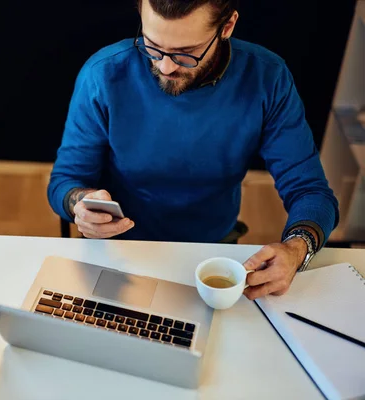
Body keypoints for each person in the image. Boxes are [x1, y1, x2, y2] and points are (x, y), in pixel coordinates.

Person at [47, 0, 339, 300]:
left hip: (212, 250)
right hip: (118, 250)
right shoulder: (104, 74)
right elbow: (65, 182)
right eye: (152, 46)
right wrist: (79, 205)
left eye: (186, 53)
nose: (166, 66)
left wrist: (297, 247)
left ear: (227, 26)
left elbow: (310, 191)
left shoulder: (267, 78)